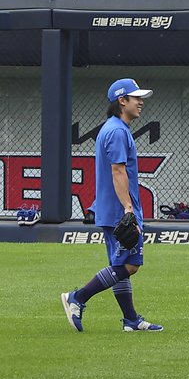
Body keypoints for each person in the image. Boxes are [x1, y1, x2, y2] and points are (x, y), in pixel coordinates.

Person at [60, 78, 163, 334]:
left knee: (121, 265)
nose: (141, 102)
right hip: (120, 210)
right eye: (136, 97)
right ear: (121, 100)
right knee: (130, 265)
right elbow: (118, 172)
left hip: (111, 209)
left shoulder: (114, 128)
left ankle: (131, 319)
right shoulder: (117, 131)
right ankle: (78, 297)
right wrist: (128, 208)